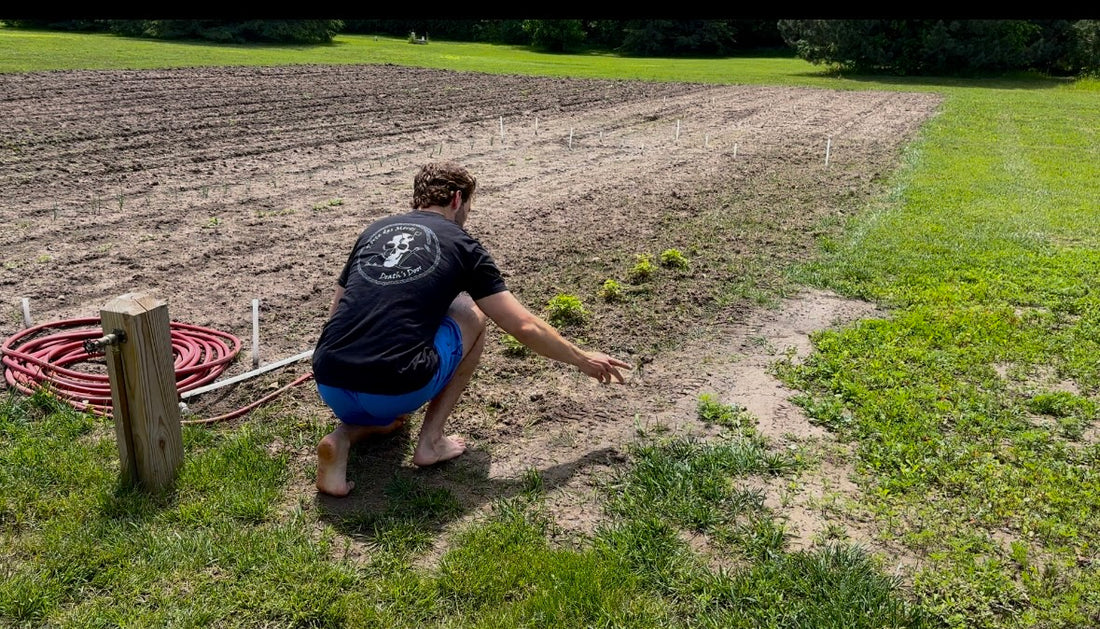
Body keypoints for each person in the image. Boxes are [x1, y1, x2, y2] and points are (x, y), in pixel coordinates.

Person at [312, 161, 631, 497]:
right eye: (469, 206)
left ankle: (342, 437)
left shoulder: (373, 231)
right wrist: (582, 359)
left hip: (331, 382)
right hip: (395, 387)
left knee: (385, 414)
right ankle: (431, 442)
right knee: (472, 311)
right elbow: (521, 324)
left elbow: (336, 313)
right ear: (457, 199)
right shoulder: (462, 243)